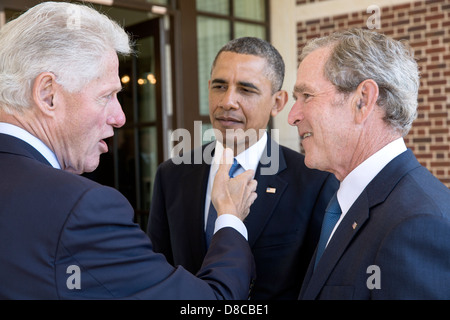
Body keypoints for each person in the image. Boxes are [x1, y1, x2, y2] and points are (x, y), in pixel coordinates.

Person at [0, 1, 258, 300]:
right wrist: (229, 218)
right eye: (106, 95)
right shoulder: (83, 208)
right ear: (48, 95)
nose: (120, 117)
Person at [147, 37, 339, 300]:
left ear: (278, 102)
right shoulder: (172, 174)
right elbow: (158, 272)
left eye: (246, 90)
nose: (227, 101)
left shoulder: (314, 181)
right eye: (219, 86)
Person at [289, 28, 450, 300]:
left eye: (307, 96)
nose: (293, 116)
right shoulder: (348, 203)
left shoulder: (417, 224)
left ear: (362, 101)